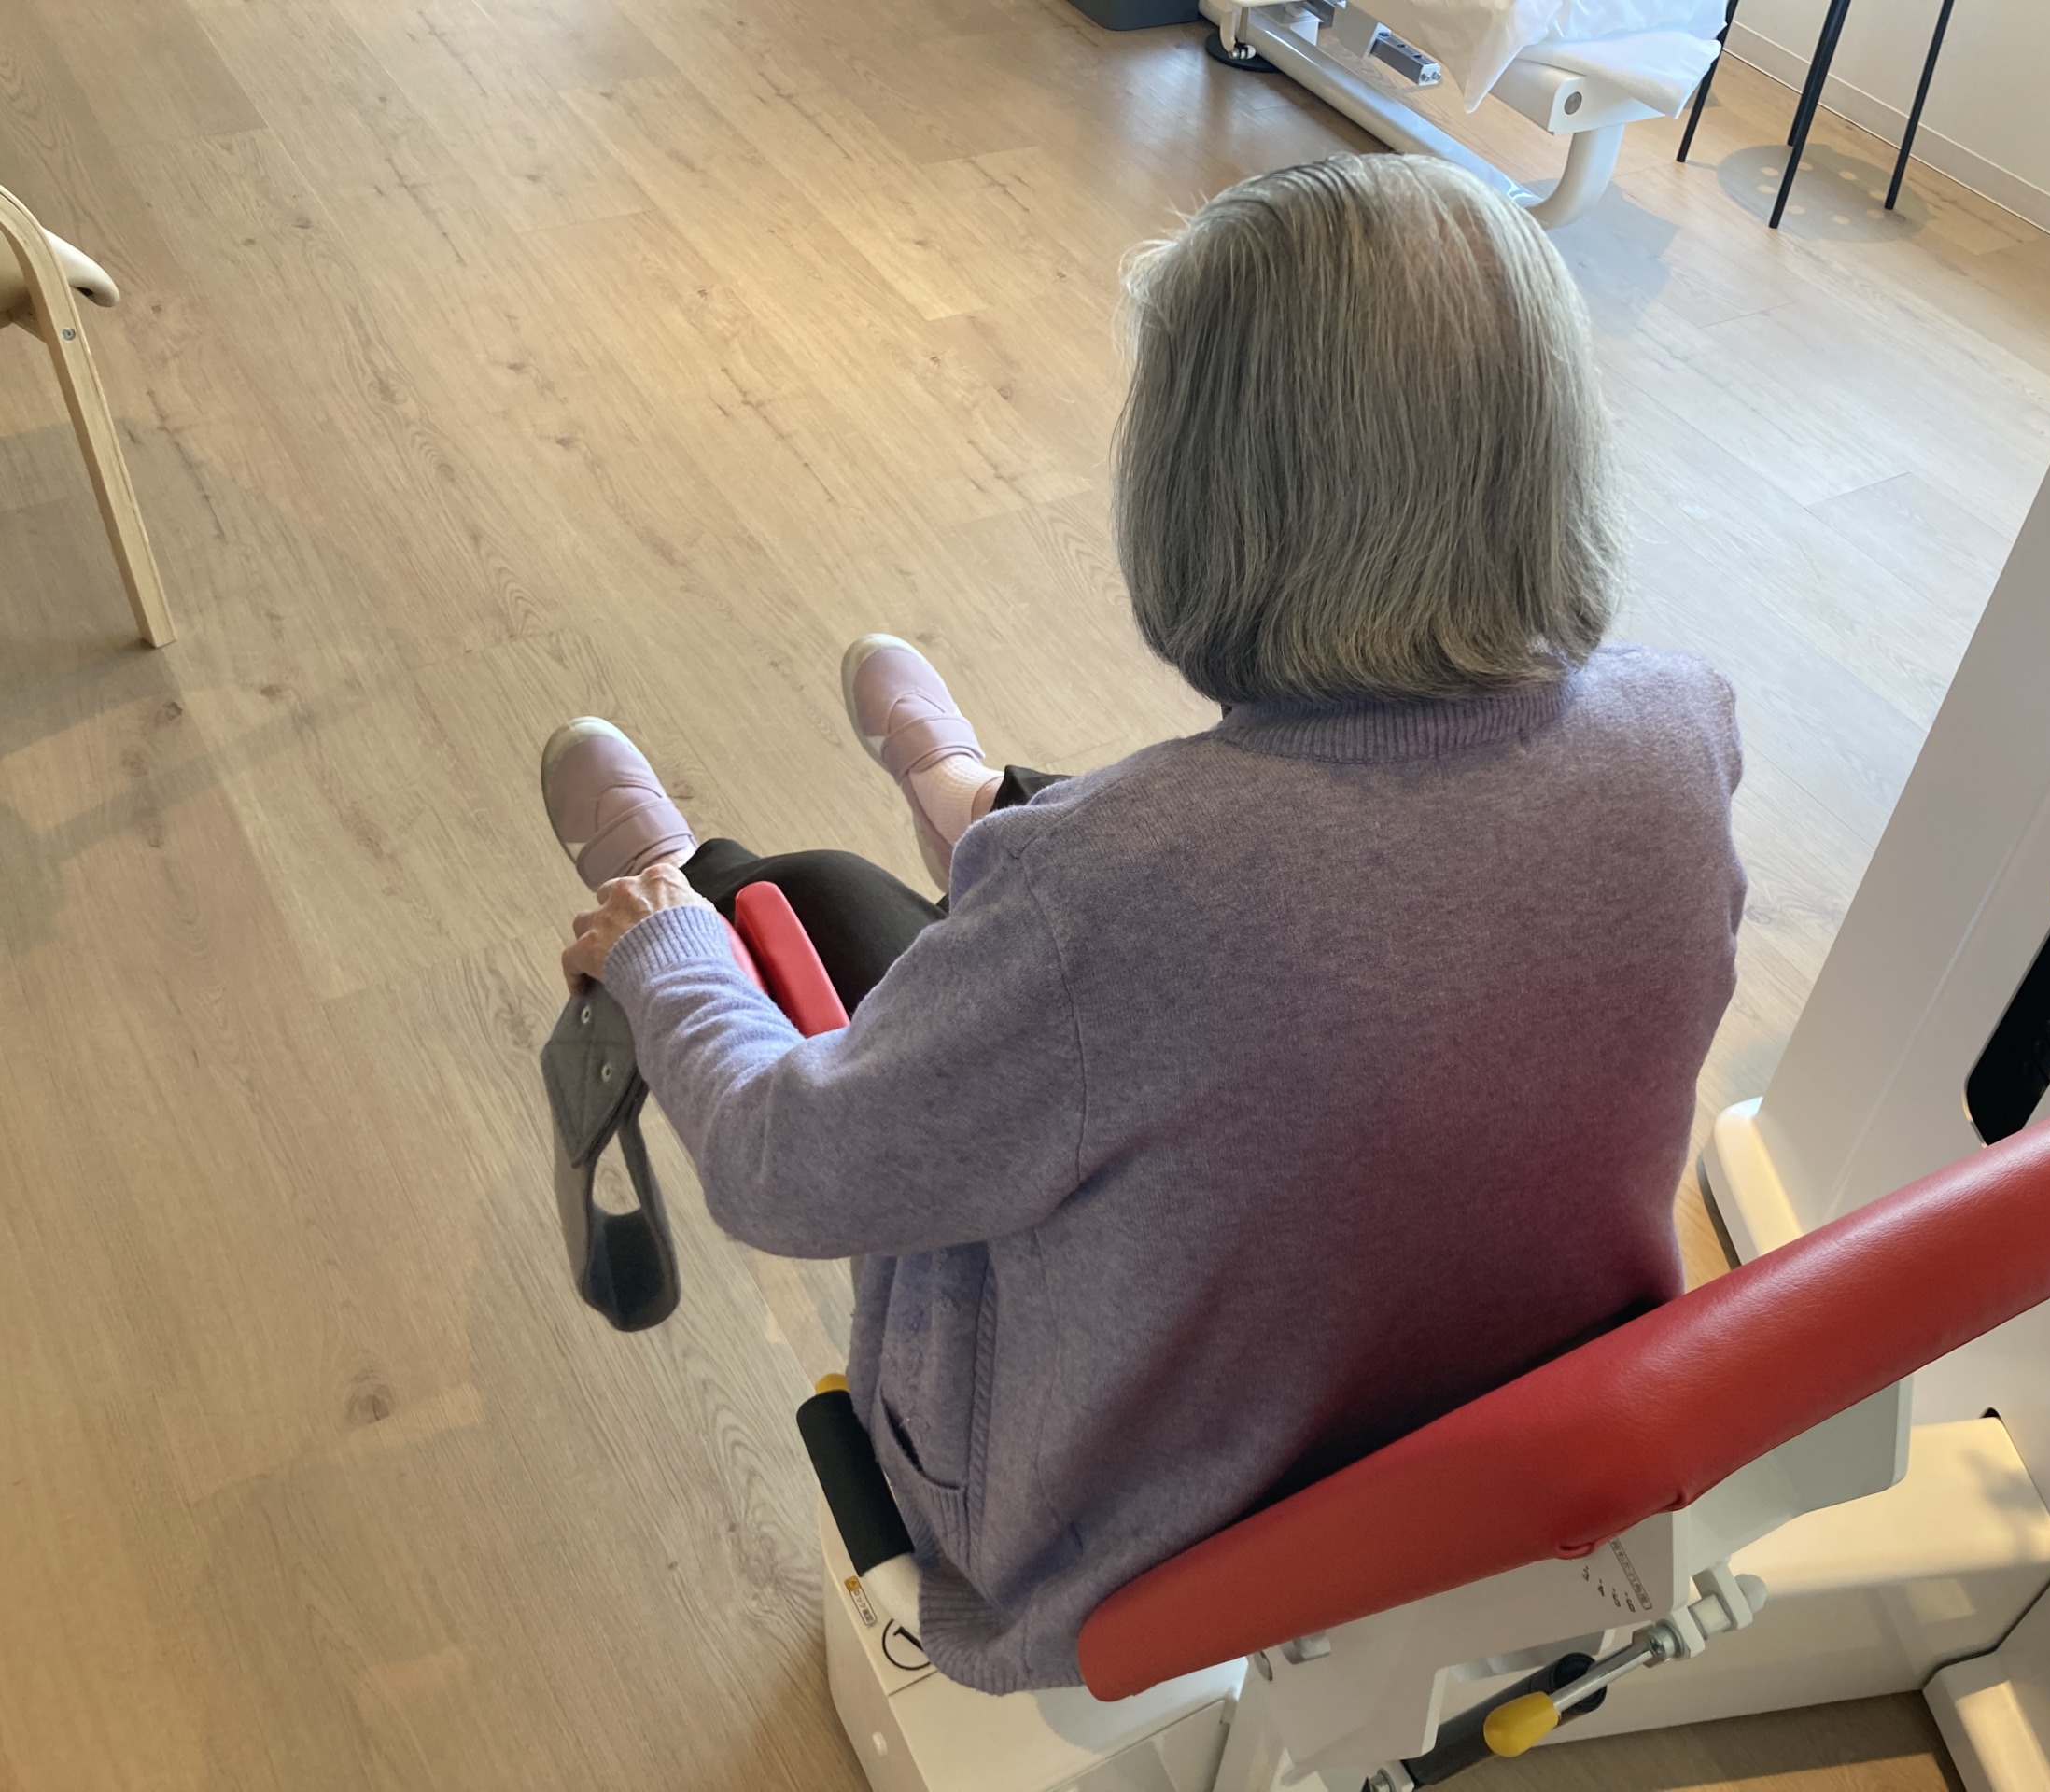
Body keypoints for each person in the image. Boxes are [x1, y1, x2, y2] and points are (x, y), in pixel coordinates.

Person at [540, 154, 1744, 1696]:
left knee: (818, 897)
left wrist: (663, 956)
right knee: (1120, 897)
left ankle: (677, 867)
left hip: (1108, 1535)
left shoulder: (1107, 885)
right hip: (1511, 1441)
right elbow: (1388, 918)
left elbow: (789, 1168)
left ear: (1202, 502)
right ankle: (965, 791)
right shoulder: (1682, 728)